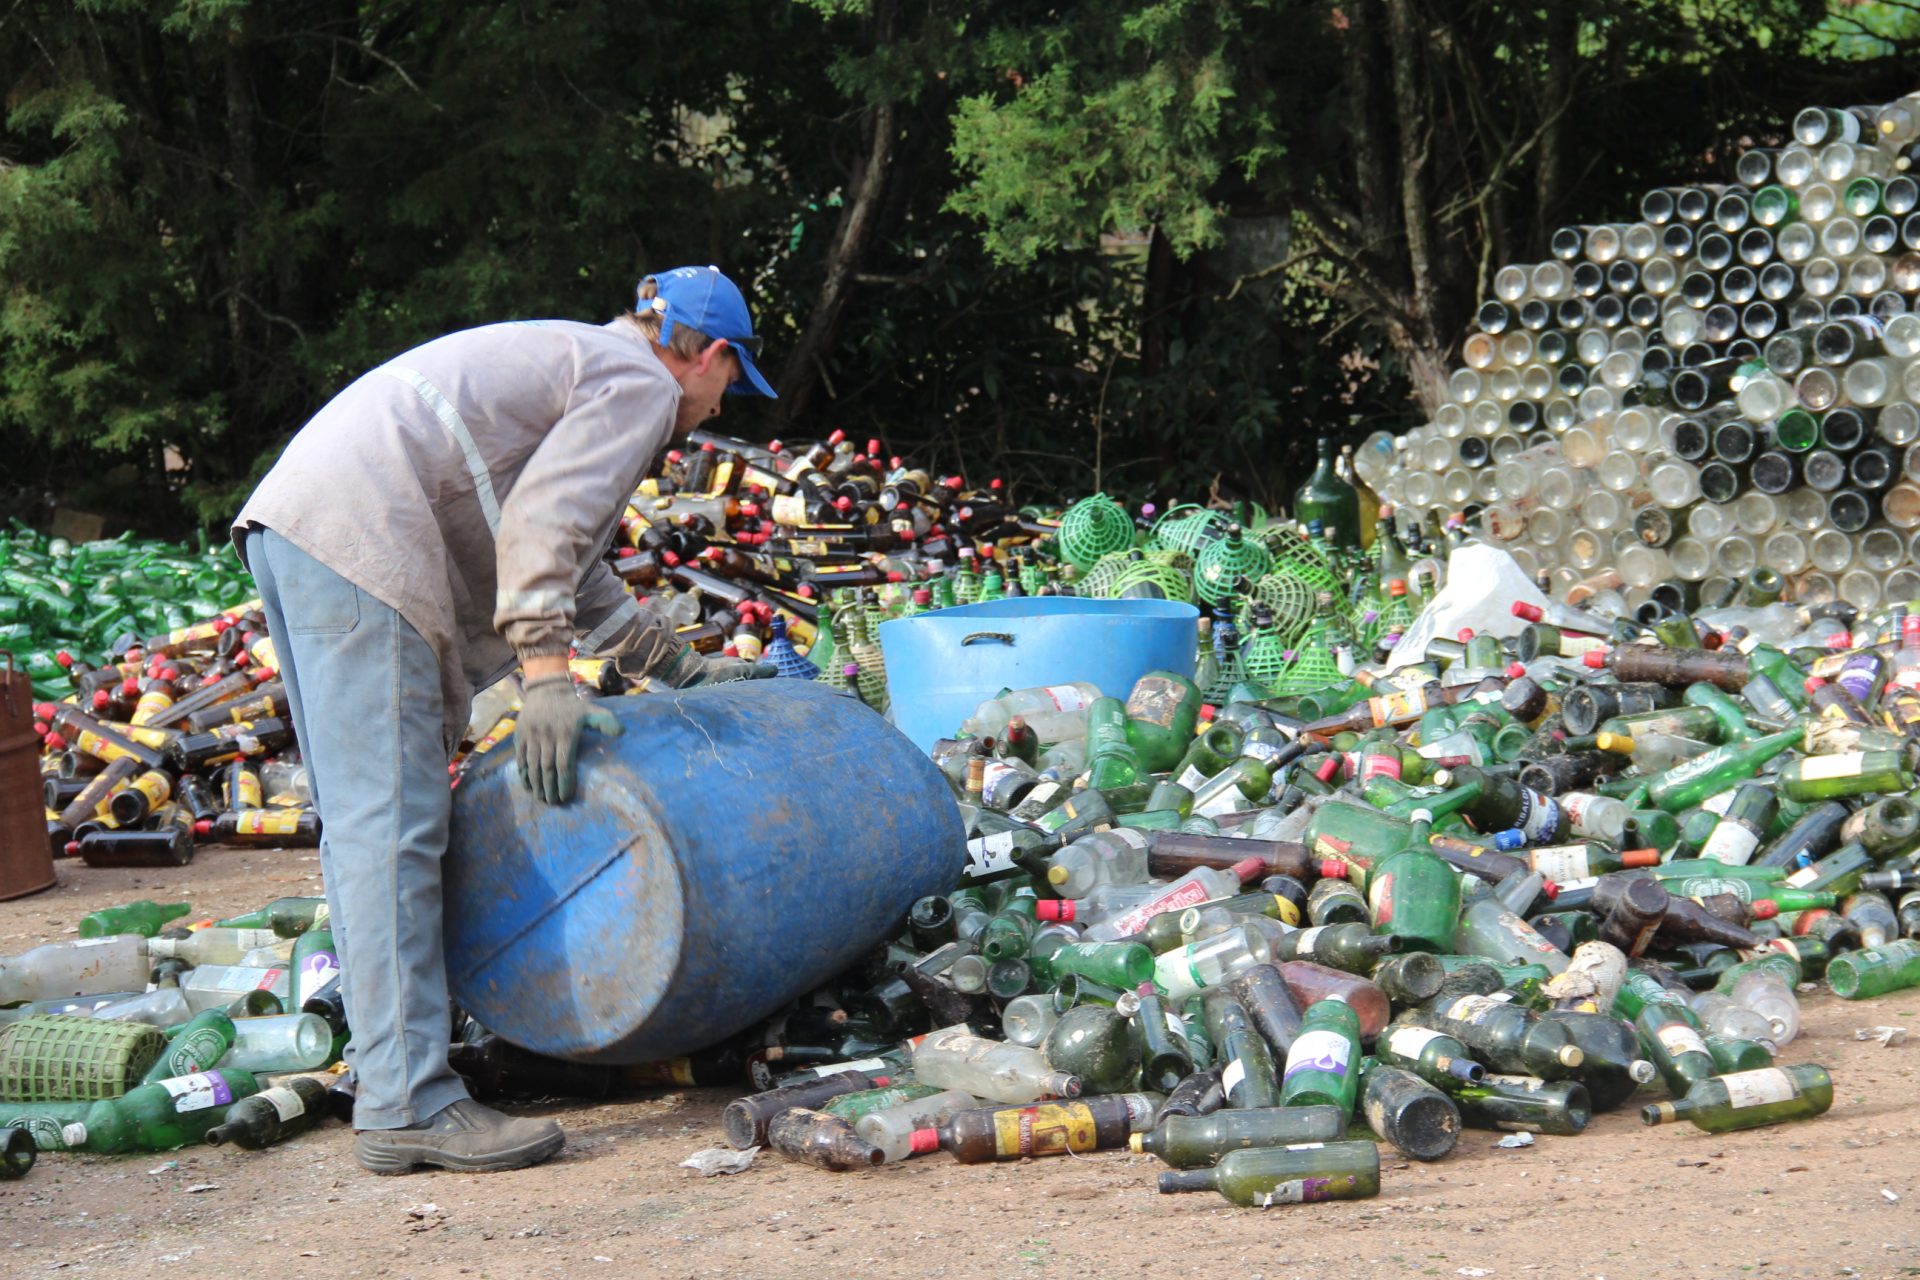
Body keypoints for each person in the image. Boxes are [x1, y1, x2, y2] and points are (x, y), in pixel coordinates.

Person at [233, 266, 775, 1174]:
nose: (719, 408)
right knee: (393, 830)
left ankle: (390, 1071)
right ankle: (408, 1101)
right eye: (730, 383)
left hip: (302, 524)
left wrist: (676, 666)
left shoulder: (582, 358)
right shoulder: (640, 381)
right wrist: (548, 675)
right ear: (709, 354)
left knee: (368, 829)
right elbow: (543, 526)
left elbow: (579, 564)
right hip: (365, 531)